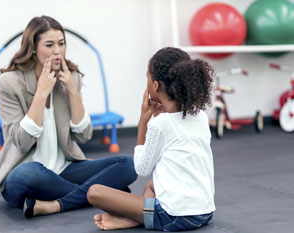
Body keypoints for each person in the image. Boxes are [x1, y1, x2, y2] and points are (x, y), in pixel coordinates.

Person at [0, 15, 137, 218]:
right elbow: (22, 142)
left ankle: (56, 204)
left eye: (61, 43)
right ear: (33, 47)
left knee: (129, 165)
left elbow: (83, 136)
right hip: (25, 171)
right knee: (28, 174)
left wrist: (71, 88)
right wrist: (42, 92)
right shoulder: (8, 83)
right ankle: (103, 194)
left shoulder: (71, 77)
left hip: (65, 169)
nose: (57, 51)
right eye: (49, 45)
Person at [87, 47, 215, 231]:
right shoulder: (200, 116)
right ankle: (137, 218)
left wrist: (143, 122)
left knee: (95, 192)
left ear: (154, 85)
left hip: (176, 217)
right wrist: (157, 119)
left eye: (147, 77)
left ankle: (136, 218)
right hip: (204, 212)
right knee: (152, 186)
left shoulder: (160, 124)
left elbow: (141, 167)